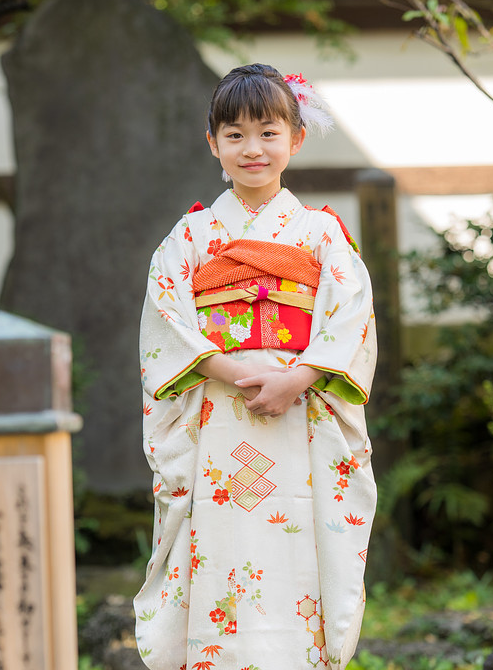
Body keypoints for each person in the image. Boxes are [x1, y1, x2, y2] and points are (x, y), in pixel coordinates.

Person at [134, 64, 377, 670]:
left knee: (299, 541)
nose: (253, 148)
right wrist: (227, 369)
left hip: (303, 415)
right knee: (217, 545)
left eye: (268, 132)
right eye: (235, 134)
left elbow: (350, 313)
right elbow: (166, 316)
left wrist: (299, 376)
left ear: (295, 139)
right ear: (212, 142)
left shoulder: (321, 233)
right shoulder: (190, 236)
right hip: (217, 413)